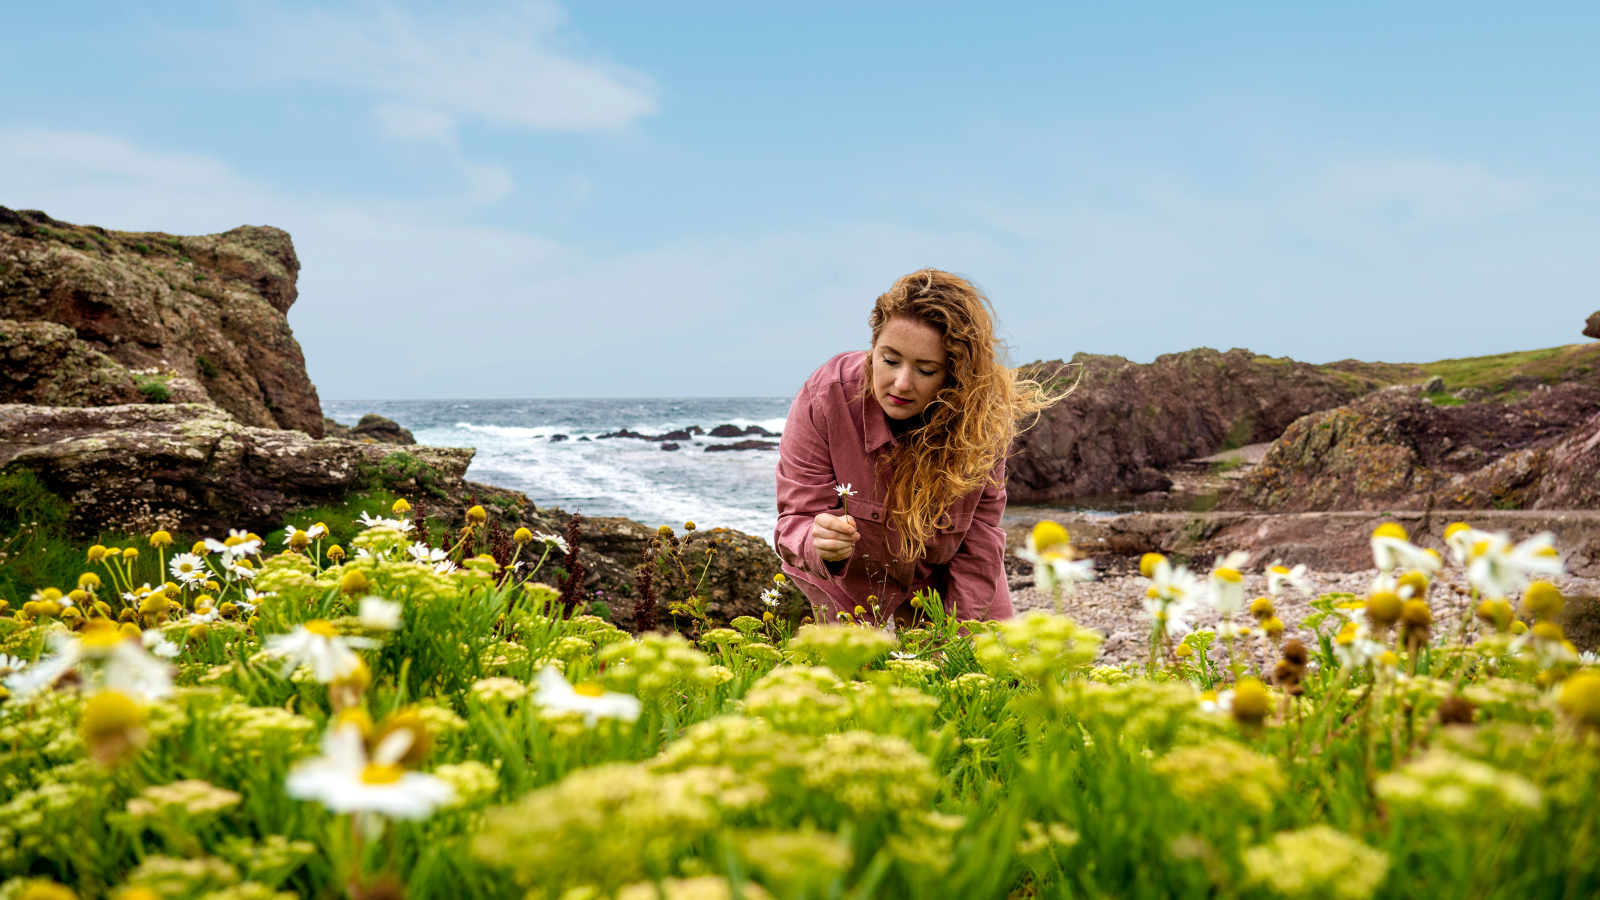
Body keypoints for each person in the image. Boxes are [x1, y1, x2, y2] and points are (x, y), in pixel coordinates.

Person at [774, 269, 1059, 625]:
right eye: (889, 360)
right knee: (855, 677)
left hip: (944, 579)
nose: (901, 383)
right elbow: (795, 521)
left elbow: (980, 541)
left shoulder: (982, 417)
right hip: (845, 583)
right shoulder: (825, 397)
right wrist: (820, 545)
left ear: (954, 375)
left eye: (925, 370)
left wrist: (957, 641)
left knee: (987, 673)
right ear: (873, 347)